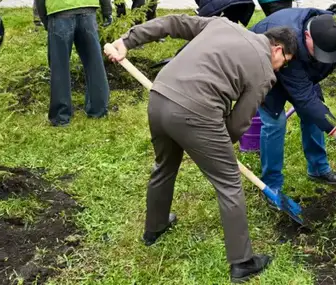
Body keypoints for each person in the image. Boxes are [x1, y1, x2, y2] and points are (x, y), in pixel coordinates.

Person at [105, 15, 296, 283]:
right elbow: (240, 122)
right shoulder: (264, 70)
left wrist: (127, 40)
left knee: (165, 166)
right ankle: (242, 262)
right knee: (229, 182)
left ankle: (155, 228)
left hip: (160, 96)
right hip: (196, 112)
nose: (279, 69)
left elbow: (173, 23)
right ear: (277, 49)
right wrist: (216, 144)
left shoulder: (223, 24)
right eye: (283, 63)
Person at [251, 9, 336, 193]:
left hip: (304, 73)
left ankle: (318, 169)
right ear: (307, 35)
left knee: (314, 118)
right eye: (318, 51)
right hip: (269, 68)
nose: (321, 57)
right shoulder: (285, 40)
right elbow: (305, 98)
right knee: (275, 123)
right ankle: (272, 184)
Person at [28, 0, 112, 126]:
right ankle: (98, 109)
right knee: (94, 61)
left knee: (59, 65)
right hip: (88, 13)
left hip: (60, 14)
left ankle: (61, 116)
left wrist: (45, 20)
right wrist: (107, 11)